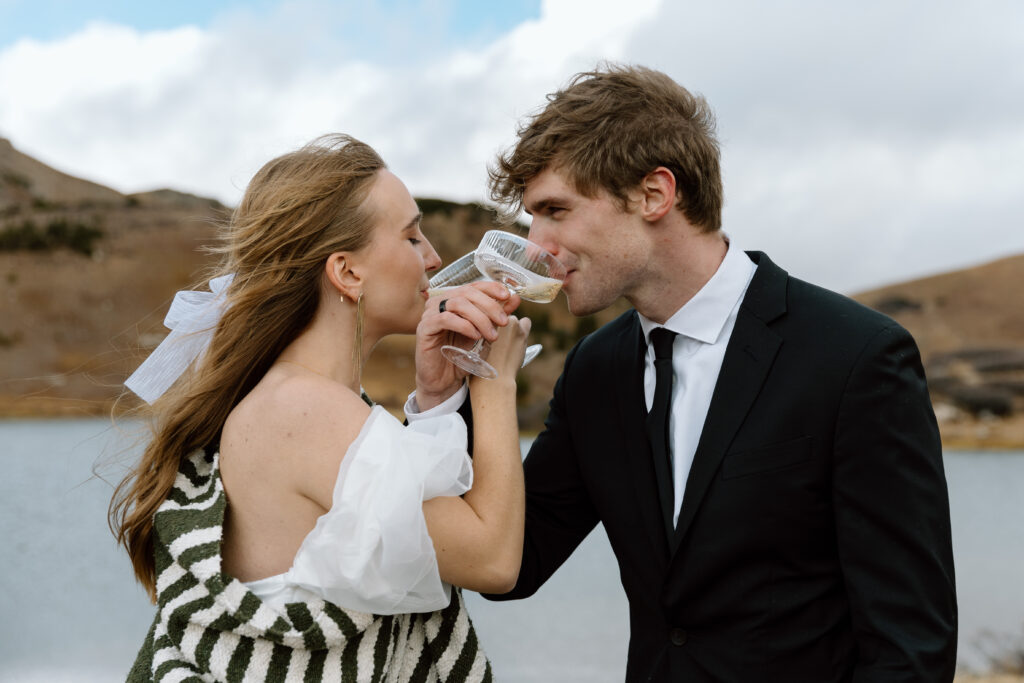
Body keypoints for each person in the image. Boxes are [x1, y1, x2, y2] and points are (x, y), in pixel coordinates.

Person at [410, 65, 958, 681]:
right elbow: (511, 565)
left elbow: (910, 646)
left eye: (555, 211)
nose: (537, 244)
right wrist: (441, 397)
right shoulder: (595, 371)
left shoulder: (856, 358)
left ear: (654, 194)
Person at [110, 134, 529, 682]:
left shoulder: (301, 400)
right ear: (347, 273)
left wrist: (435, 399)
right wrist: (494, 382)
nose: (434, 258)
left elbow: (406, 528)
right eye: (410, 237)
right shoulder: (303, 411)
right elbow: (493, 560)